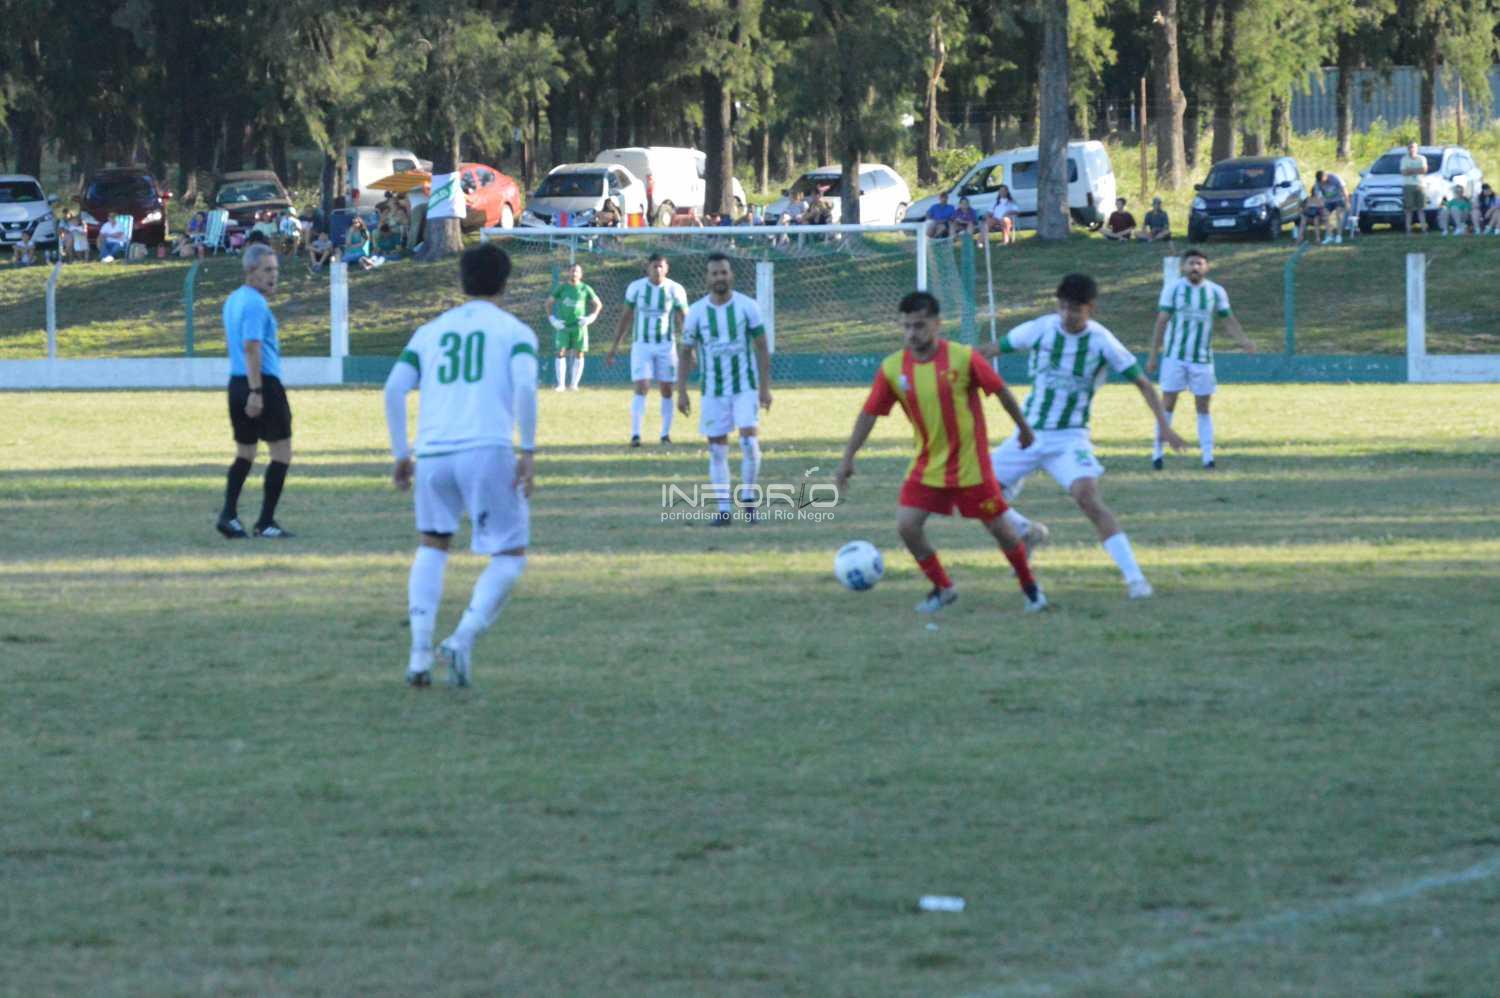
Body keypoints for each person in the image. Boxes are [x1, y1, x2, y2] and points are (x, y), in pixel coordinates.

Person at [383, 242, 538, 689]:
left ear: (461, 281)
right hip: (486, 449)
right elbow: (526, 388)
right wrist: (528, 451)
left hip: (433, 453)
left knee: (432, 545)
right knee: (510, 554)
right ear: (505, 283)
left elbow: (394, 389)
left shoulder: (430, 331)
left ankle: (418, 656)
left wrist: (401, 452)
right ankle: (462, 637)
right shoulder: (515, 332)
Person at [834, 291, 1048, 615]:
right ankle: (943, 588)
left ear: (937, 324)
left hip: (971, 467)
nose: (912, 334)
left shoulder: (963, 358)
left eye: (919, 326)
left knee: (1001, 531)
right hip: (928, 465)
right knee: (907, 526)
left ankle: (1031, 590)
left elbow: (1000, 391)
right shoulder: (893, 368)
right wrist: (848, 458)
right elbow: (869, 413)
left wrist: (1024, 429)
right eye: (906, 326)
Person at [978, 273, 1187, 600]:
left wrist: (1164, 425)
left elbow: (1143, 383)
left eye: (1075, 309)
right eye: (1062, 307)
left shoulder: (1102, 341)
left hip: (1069, 438)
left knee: (1088, 498)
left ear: (1091, 308)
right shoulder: (1041, 329)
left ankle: (1135, 579)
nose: (1067, 315)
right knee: (978, 494)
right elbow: (990, 350)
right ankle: (1025, 532)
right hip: (1029, 434)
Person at [677, 253, 773, 526]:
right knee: (717, 450)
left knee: (749, 443)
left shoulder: (748, 307)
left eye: (724, 272)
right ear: (707, 278)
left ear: (731, 276)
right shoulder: (696, 312)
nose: (720, 277)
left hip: (745, 387)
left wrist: (765, 388)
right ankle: (723, 510)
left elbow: (762, 347)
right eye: (715, 273)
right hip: (712, 391)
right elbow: (685, 352)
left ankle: (749, 501)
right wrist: (681, 391)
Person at [1147, 248, 1256, 470]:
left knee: (1203, 406)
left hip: (1202, 359)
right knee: (1168, 403)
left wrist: (1244, 340)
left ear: (1207, 267)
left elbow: (1228, 319)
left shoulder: (1216, 291)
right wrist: (1153, 355)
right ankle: (1157, 454)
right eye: (1191, 263)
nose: (1195, 267)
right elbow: (1161, 322)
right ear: (1183, 267)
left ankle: (1208, 457)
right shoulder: (1173, 290)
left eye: (1199, 263)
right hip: (1175, 357)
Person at [217, 244, 295, 540]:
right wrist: (257, 391)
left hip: (236, 383)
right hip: (261, 383)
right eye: (268, 270)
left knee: (246, 452)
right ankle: (265, 522)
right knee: (282, 452)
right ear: (251, 271)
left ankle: (229, 516)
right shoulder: (255, 304)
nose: (274, 276)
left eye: (276, 270)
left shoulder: (233, 300)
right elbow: (251, 346)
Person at [606, 253, 689, 446]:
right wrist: (615, 346)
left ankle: (665, 435)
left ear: (666, 269)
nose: (657, 270)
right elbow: (626, 317)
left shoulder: (675, 289)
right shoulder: (636, 288)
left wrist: (690, 348)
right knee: (642, 386)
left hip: (666, 346)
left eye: (661, 266)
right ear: (647, 268)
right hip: (642, 345)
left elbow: (684, 319)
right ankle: (635, 435)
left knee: (667, 389)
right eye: (654, 266)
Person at [549, 262, 602, 391]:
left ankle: (574, 385)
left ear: (581, 274)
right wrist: (552, 319)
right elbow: (548, 303)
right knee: (560, 352)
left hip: (579, 327)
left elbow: (598, 304)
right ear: (569, 273)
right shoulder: (562, 288)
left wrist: (591, 318)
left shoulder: (585, 288)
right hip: (563, 326)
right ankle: (561, 385)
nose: (574, 273)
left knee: (580, 353)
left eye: (577, 271)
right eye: (572, 271)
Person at [1400, 141, 1428, 235]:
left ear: (1417, 148)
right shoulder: (1404, 159)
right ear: (1408, 149)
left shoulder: (1422, 158)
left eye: (1413, 147)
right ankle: (1408, 230)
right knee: (1408, 209)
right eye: (1410, 147)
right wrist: (1417, 170)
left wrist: (1410, 170)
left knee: (1421, 209)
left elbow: (1424, 170)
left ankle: (1424, 229)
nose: (1412, 149)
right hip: (1408, 186)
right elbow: (1404, 172)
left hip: (1420, 185)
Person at [1314, 170, 1348, 244]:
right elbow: (1317, 194)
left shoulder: (1334, 178)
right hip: (1328, 201)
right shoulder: (1317, 181)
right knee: (1325, 215)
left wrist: (1347, 201)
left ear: (1325, 176)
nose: (1322, 183)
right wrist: (1320, 204)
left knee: (1338, 215)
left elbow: (1344, 188)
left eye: (1323, 181)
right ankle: (1329, 236)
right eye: (1321, 182)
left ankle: (1339, 236)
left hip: (1339, 199)